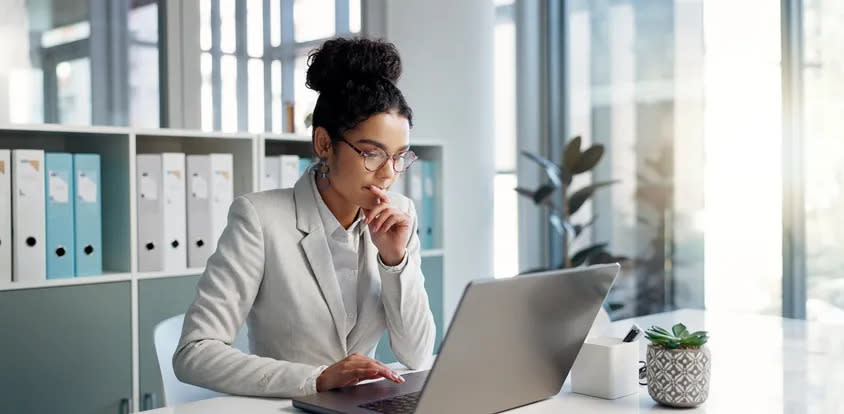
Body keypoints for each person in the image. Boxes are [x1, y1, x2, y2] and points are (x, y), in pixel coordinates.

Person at [173, 37, 436, 398]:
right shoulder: (260, 219)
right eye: (372, 154)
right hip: (291, 405)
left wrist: (394, 260)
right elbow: (194, 352)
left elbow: (417, 353)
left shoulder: (400, 214)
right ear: (324, 143)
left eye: (399, 157)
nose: (388, 174)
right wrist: (317, 378)